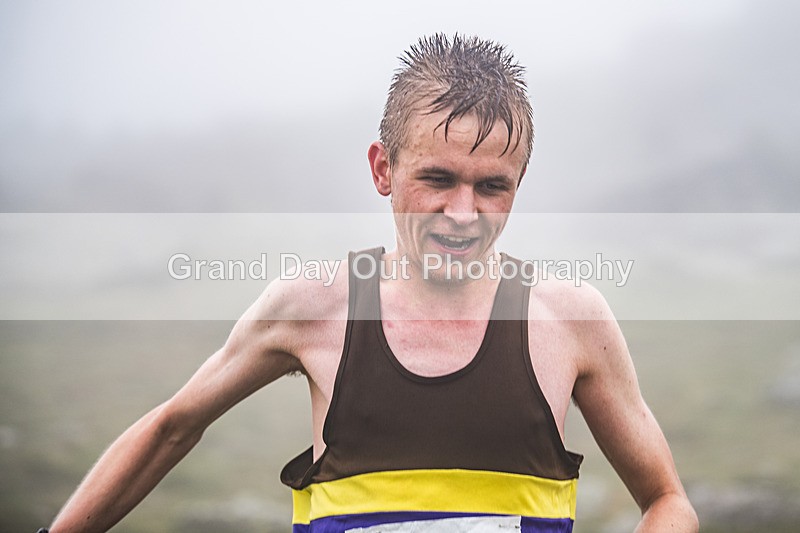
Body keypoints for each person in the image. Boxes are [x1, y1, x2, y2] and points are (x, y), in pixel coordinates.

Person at [43, 34, 698, 532]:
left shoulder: (571, 319)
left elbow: (668, 500)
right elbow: (171, 428)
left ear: (517, 185)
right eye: (437, 179)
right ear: (383, 168)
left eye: (492, 186)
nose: (463, 213)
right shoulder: (312, 307)